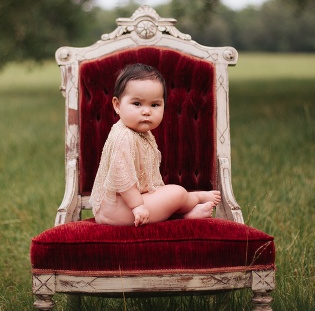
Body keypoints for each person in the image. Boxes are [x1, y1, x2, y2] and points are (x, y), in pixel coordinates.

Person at [90, 63, 221, 226]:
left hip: (127, 205)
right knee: (176, 193)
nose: (146, 111)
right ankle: (195, 199)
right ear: (117, 105)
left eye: (155, 105)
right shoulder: (123, 136)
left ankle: (186, 214)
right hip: (117, 210)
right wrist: (137, 206)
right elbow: (122, 177)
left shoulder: (141, 134)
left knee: (166, 194)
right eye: (137, 104)